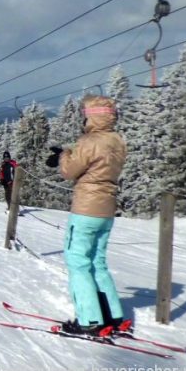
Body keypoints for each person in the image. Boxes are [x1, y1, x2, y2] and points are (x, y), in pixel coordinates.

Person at [46, 94, 129, 336]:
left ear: (91, 117)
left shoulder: (89, 141)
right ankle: (113, 316)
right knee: (97, 262)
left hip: (86, 208)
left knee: (77, 262)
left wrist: (64, 155)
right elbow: (98, 162)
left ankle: (89, 319)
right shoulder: (117, 140)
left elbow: (70, 171)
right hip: (107, 207)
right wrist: (70, 151)